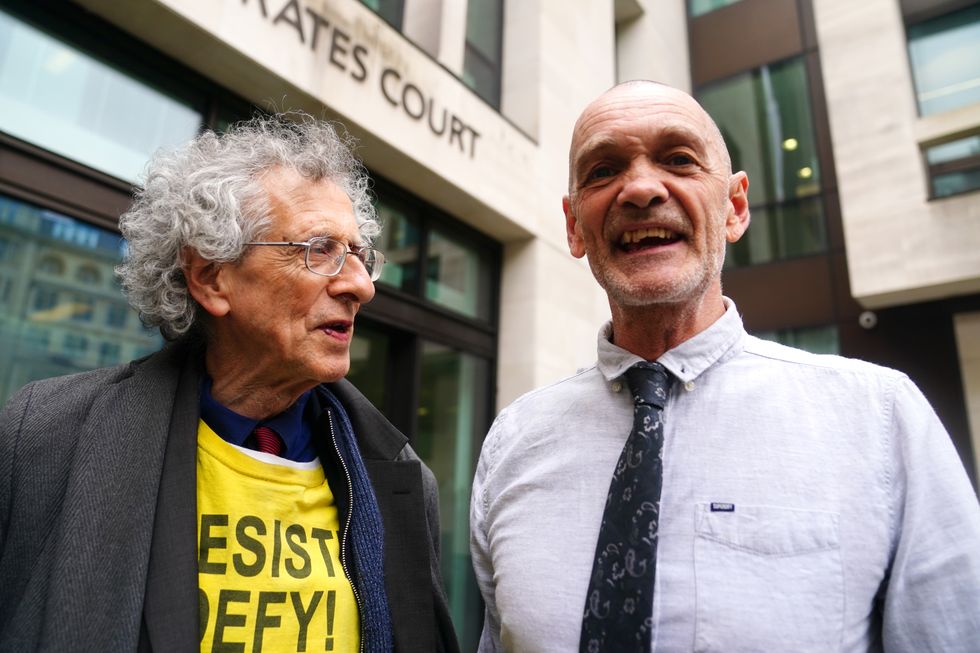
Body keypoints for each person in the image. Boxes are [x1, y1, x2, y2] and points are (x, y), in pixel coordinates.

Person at [470, 80, 980, 652]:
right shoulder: (512, 444)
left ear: (734, 207)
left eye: (678, 159)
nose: (639, 188)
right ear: (573, 227)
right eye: (603, 170)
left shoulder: (880, 418)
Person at [0, 113, 459, 653]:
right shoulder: (43, 438)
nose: (360, 285)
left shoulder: (401, 477)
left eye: (359, 255)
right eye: (320, 249)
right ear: (210, 277)